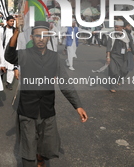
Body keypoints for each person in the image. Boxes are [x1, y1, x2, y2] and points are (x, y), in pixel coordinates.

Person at [5, 19, 88, 167]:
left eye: (44, 35)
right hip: (28, 111)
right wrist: (17, 31)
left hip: (47, 110)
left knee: (46, 146)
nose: (41, 39)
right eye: (37, 35)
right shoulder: (25, 55)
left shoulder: (54, 57)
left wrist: (78, 106)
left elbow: (65, 82)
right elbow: (9, 56)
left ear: (49, 36)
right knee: (28, 150)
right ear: (32, 37)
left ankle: (41, 161)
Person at [106, 20, 134, 93]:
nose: (115, 29)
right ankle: (112, 86)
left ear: (122, 27)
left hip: (124, 56)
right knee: (114, 72)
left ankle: (119, 80)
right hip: (114, 56)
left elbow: (132, 46)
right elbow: (108, 47)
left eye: (117, 27)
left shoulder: (127, 35)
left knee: (124, 71)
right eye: (115, 27)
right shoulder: (112, 35)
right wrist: (108, 57)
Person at [0, 15, 16, 90]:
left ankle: (8, 83)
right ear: (7, 22)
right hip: (2, 51)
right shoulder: (1, 30)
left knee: (11, 68)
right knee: (1, 66)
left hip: (11, 52)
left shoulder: (15, 30)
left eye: (13, 21)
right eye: (11, 21)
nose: (12, 23)